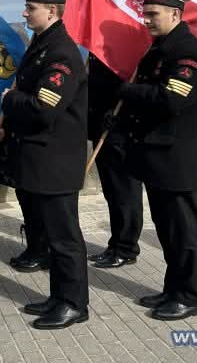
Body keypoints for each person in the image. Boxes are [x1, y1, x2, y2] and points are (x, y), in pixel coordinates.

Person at [0, 0, 89, 330]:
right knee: (52, 236)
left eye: (31, 8)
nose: (25, 13)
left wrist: (9, 100)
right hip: (40, 158)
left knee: (64, 238)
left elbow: (44, 108)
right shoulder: (42, 46)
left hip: (55, 161)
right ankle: (59, 296)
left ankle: (74, 303)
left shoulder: (61, 53)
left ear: (52, 11)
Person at [112, 0, 197, 321]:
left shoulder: (188, 53)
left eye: (153, 14)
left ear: (175, 14)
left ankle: (189, 296)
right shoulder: (159, 49)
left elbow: (171, 99)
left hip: (177, 158)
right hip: (157, 157)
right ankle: (172, 289)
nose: (147, 20)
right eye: (146, 13)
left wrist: (127, 91)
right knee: (168, 231)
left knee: (185, 232)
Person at [86, 53, 143, 268]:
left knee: (124, 193)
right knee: (112, 193)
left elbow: (130, 90)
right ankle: (116, 243)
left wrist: (119, 116)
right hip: (102, 131)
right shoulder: (96, 55)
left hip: (120, 134)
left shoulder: (121, 54)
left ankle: (127, 248)